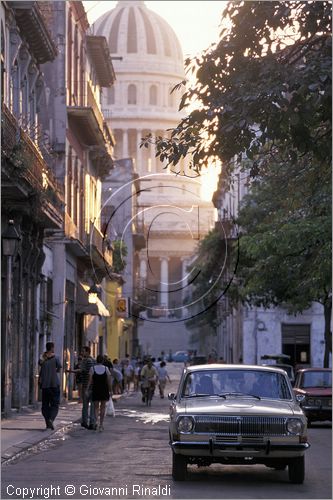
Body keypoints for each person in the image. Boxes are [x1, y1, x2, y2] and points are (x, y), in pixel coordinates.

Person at [39, 342, 62, 430]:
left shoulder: (42, 357)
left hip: (45, 385)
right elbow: (59, 368)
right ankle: (51, 419)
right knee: (55, 404)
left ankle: (47, 422)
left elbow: (40, 363)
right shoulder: (56, 358)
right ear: (52, 348)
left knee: (45, 405)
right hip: (54, 384)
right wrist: (54, 371)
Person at [87, 354, 112, 432]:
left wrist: (87, 389)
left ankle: (96, 422)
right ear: (103, 361)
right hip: (104, 390)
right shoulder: (106, 369)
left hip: (96, 389)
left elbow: (90, 380)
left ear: (96, 361)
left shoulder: (92, 368)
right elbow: (109, 381)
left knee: (96, 407)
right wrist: (110, 390)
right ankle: (101, 424)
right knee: (103, 407)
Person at [80, 346, 96, 430]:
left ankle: (85, 422)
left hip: (87, 386)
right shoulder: (94, 360)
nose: (82, 353)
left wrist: (74, 371)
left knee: (85, 405)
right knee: (92, 405)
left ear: (87, 352)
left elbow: (88, 373)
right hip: (92, 386)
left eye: (83, 351)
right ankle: (91, 422)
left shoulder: (87, 361)